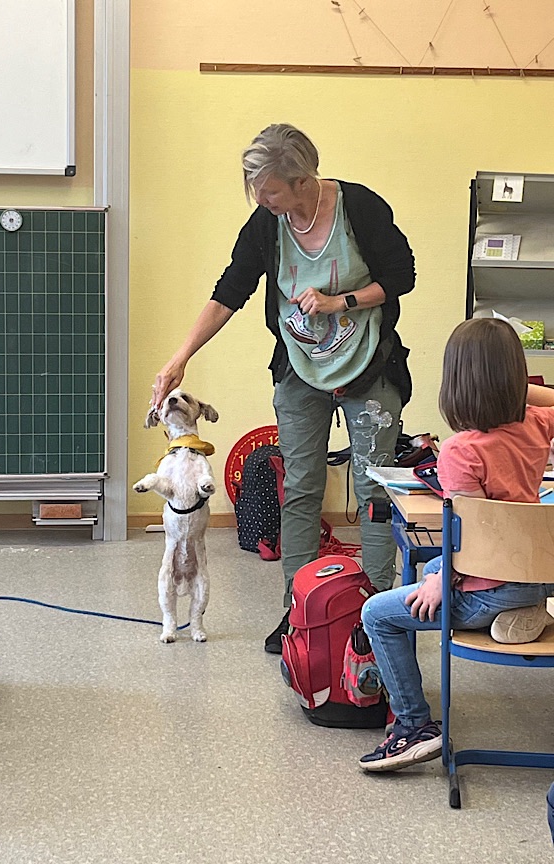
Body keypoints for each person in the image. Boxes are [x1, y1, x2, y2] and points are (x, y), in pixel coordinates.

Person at [152, 123, 416, 652]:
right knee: (299, 490)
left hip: (371, 363)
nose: (261, 199)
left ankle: (375, 618)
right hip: (300, 369)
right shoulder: (266, 224)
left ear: (301, 180)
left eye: (269, 189)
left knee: (372, 494)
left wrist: (342, 302)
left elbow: (402, 274)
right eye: (256, 189)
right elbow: (231, 289)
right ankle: (299, 611)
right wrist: (181, 356)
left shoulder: (359, 208)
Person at [359, 317, 554, 772]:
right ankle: (521, 611)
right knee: (430, 576)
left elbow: (463, 541)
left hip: (486, 586)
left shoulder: (460, 451)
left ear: (455, 380)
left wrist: (439, 577)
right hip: (532, 580)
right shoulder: (537, 425)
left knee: (379, 615)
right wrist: (515, 390)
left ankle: (414, 726)